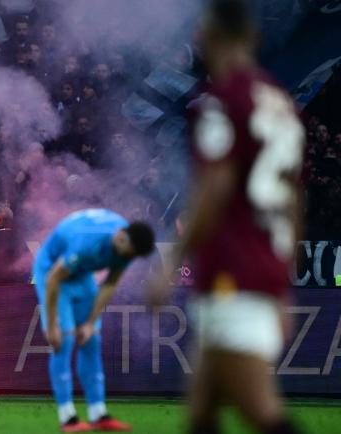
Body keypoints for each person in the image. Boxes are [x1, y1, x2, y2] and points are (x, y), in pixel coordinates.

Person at [148, 2, 305, 434]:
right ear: (253, 37)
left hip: (232, 268)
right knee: (201, 408)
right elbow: (293, 199)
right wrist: (283, 276)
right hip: (263, 262)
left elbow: (214, 189)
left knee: (260, 410)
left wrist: (171, 260)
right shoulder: (279, 101)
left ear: (205, 36)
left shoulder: (221, 102)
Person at [35, 208, 155, 432]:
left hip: (81, 275)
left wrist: (90, 322)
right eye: (127, 254)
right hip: (52, 272)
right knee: (64, 340)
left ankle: (98, 413)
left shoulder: (127, 246)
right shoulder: (87, 242)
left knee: (91, 340)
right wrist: (51, 325)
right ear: (121, 238)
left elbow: (110, 283)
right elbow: (53, 280)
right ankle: (67, 417)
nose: (126, 259)